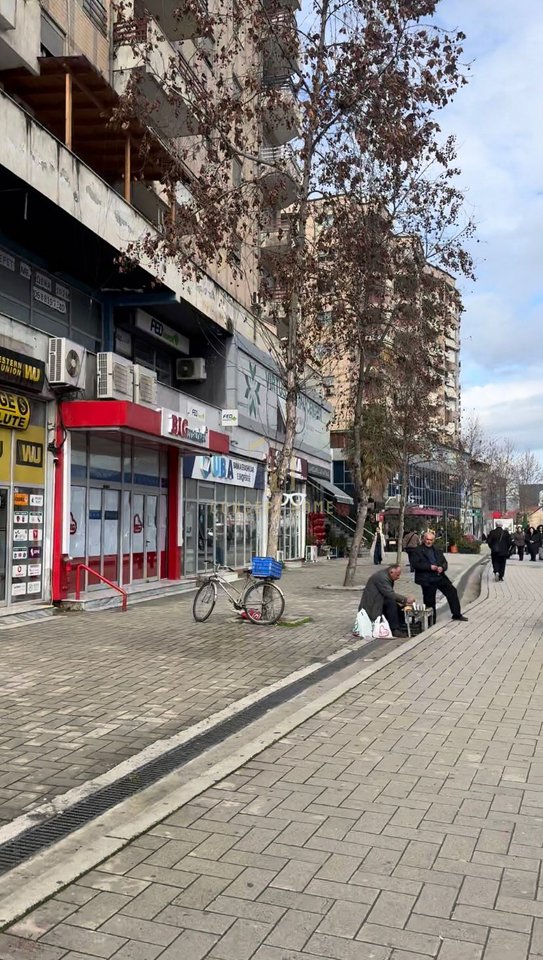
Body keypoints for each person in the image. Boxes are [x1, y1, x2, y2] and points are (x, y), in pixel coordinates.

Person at [410, 530, 468, 623]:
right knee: (430, 600)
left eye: (431, 540)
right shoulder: (418, 550)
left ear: (434, 541)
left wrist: (442, 568)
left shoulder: (436, 550)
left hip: (439, 576)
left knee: (452, 591)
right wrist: (429, 567)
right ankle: (431, 621)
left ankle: (456, 614)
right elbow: (415, 564)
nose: (429, 542)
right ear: (424, 539)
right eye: (427, 539)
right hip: (427, 578)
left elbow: (444, 562)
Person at [358, 564, 415, 639]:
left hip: (380, 600)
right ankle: (394, 629)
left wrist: (402, 602)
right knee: (391, 603)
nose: (398, 577)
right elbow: (389, 594)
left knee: (399, 605)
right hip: (373, 604)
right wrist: (405, 599)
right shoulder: (381, 577)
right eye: (397, 575)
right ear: (391, 572)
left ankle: (401, 626)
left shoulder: (387, 576)